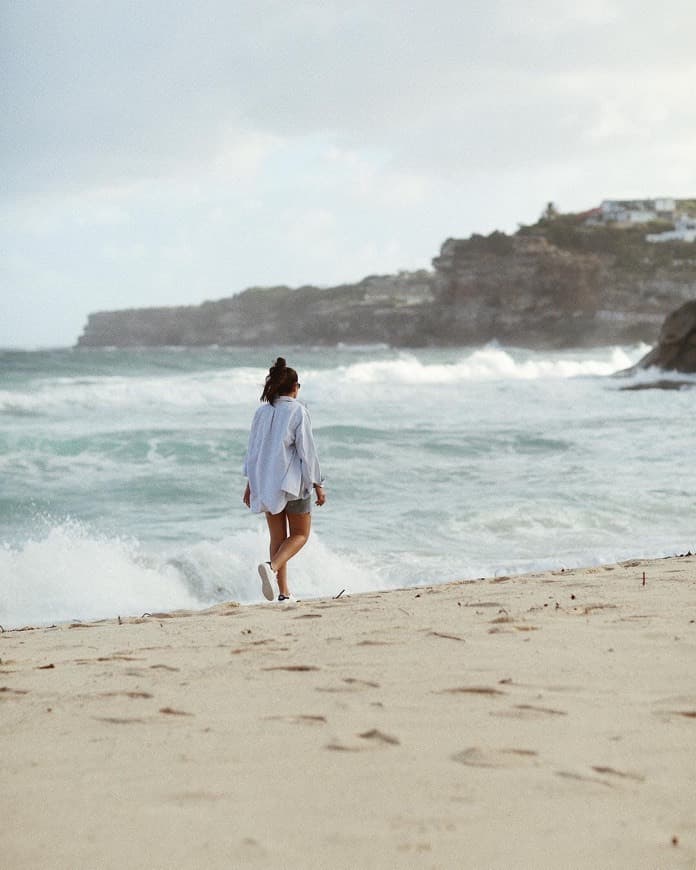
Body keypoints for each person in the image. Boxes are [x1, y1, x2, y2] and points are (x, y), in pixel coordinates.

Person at [243, 357, 326, 602]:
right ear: (294, 387)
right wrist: (318, 484)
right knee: (300, 535)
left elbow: (253, 451)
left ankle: (283, 593)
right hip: (293, 485)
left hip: (265, 482)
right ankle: (272, 567)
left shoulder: (261, 412)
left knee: (277, 539)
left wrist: (250, 485)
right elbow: (306, 452)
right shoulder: (297, 410)